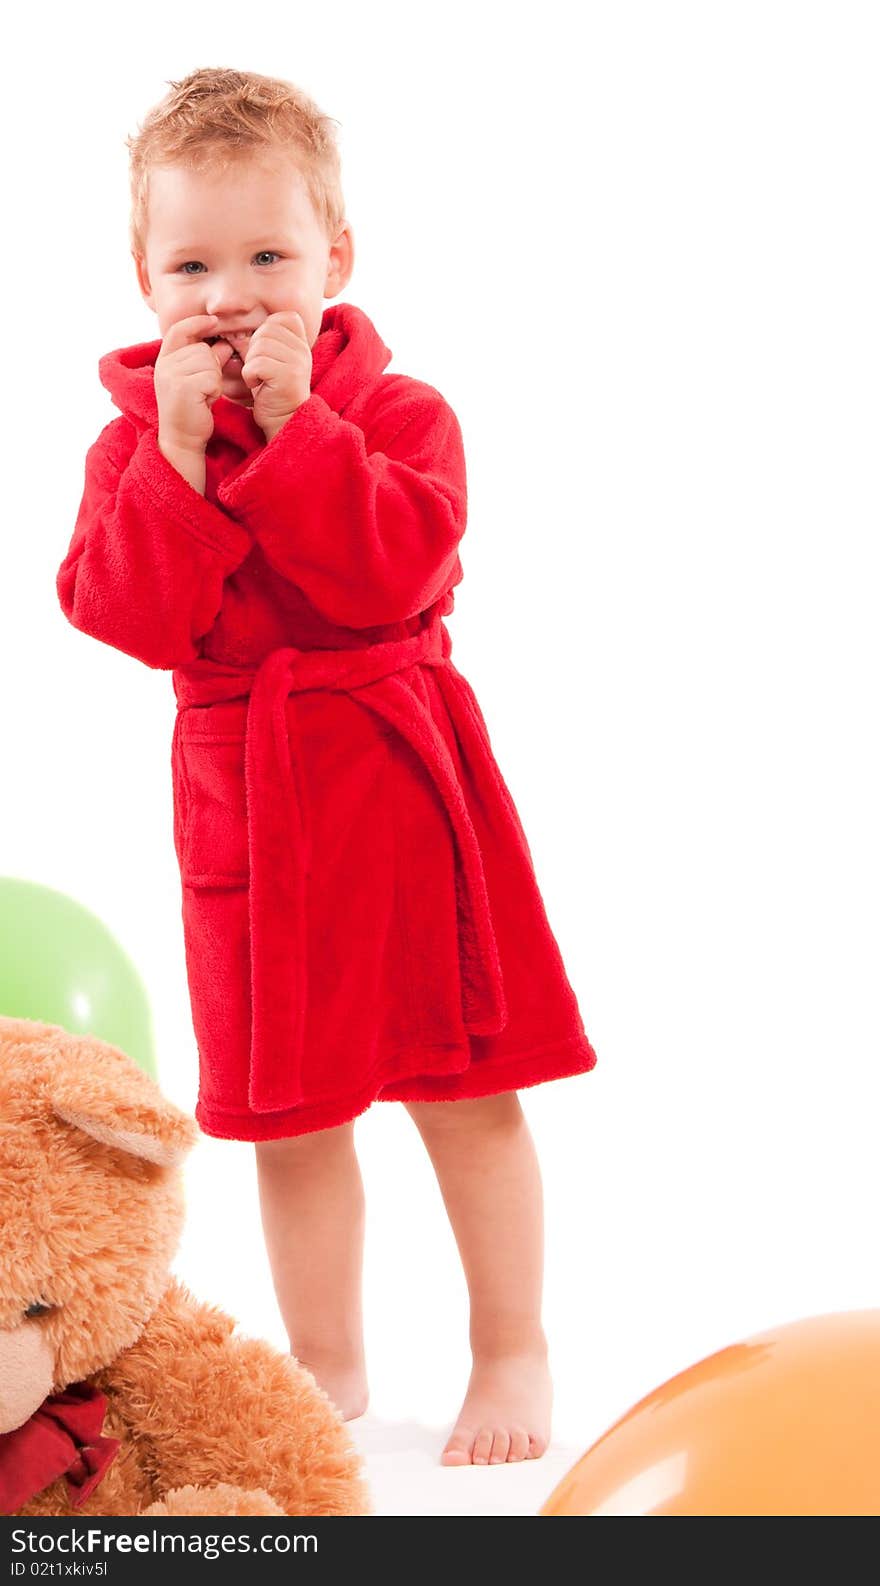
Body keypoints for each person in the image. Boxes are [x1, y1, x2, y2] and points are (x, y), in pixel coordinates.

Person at [57, 66, 598, 1468]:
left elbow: (394, 572)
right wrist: (176, 461)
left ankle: (510, 1341)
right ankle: (328, 1361)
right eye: (192, 262)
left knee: (466, 1086)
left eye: (268, 256)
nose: (228, 293)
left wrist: (304, 434)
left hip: (402, 789)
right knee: (289, 1115)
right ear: (142, 275)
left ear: (336, 258)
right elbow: (124, 616)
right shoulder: (134, 445)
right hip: (251, 807)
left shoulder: (402, 416)